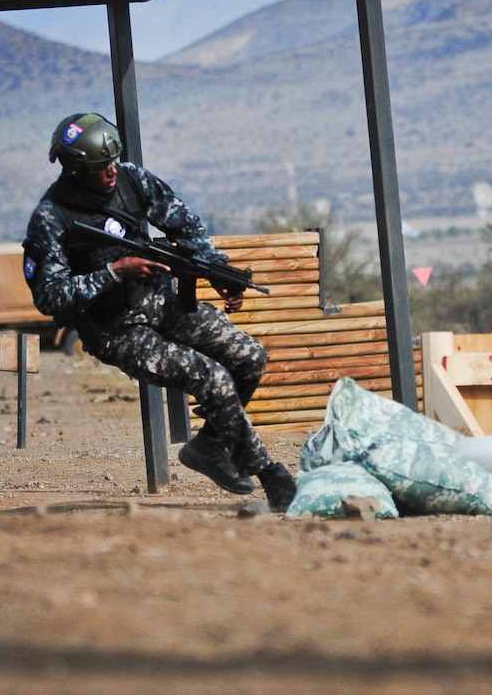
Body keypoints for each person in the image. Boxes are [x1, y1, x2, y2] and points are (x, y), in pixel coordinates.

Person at [22, 113, 295, 509]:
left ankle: (210, 446)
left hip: (166, 305)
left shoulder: (133, 180)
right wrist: (115, 272)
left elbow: (186, 227)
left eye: (113, 161)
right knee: (212, 378)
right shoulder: (51, 218)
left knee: (249, 356)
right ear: (77, 170)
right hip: (118, 329)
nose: (112, 171)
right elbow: (50, 296)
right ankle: (270, 473)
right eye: (101, 168)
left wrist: (216, 271)